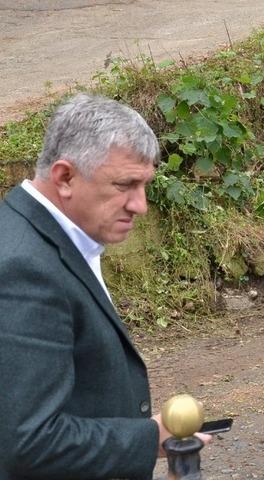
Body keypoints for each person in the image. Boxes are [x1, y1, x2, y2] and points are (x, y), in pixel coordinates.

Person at [0, 93, 211, 479]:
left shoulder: (48, 240)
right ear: (65, 177)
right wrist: (149, 438)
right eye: (125, 185)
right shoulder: (23, 266)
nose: (140, 205)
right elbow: (27, 442)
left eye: (144, 185)